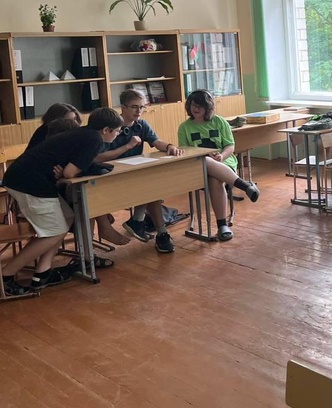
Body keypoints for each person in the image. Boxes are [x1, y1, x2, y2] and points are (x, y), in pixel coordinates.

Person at [2, 107, 123, 296]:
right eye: (117, 131)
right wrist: (76, 171)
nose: (118, 134)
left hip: (25, 177)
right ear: (106, 130)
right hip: (29, 182)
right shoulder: (95, 139)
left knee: (67, 217)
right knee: (53, 232)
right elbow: (69, 173)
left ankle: (42, 273)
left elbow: (68, 169)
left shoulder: (85, 133)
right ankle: (6, 275)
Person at [94, 89, 184, 253]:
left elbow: (156, 142)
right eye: (134, 107)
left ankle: (156, 229)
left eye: (142, 107)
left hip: (135, 174)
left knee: (152, 184)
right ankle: (143, 223)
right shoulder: (111, 126)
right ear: (123, 108)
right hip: (111, 176)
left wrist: (170, 146)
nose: (139, 111)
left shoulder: (141, 125)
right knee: (149, 186)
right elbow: (99, 157)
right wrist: (127, 147)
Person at [177, 89, 259, 241]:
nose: (195, 109)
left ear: (208, 107)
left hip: (224, 162)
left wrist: (221, 156)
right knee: (205, 160)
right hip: (198, 165)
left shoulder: (219, 121)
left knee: (215, 180)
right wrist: (205, 156)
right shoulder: (184, 127)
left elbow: (230, 146)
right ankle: (245, 185)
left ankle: (222, 226)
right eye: (193, 105)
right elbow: (186, 152)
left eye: (200, 106)